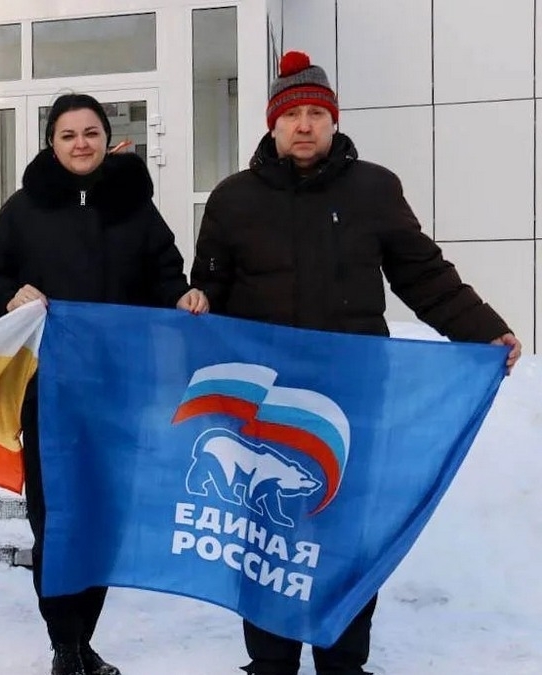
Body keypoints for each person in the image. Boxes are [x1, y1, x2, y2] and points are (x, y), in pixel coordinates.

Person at [192, 50, 522, 675]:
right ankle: (270, 660)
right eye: (293, 115)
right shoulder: (233, 199)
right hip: (267, 403)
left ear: (334, 121)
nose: (305, 125)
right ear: (272, 124)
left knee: (345, 532)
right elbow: (210, 288)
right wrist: (197, 301)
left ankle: (343, 659)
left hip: (353, 398)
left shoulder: (374, 189)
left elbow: (424, 275)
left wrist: (483, 330)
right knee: (265, 533)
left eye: (317, 114)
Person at [0, 93, 209, 675]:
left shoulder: (135, 207)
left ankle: (84, 639)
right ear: (52, 143)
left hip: (120, 390)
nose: (81, 143)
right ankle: (64, 643)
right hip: (50, 391)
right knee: (55, 518)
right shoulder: (26, 207)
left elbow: (165, 274)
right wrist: (8, 295)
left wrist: (183, 297)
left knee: (105, 516)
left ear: (106, 138)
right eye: (69, 134)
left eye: (91, 133)